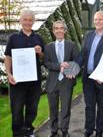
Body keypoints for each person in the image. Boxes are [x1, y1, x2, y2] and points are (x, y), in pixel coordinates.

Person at [77, 11, 103, 137]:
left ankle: (99, 131)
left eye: (100, 19)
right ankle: (89, 130)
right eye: (95, 19)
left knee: (102, 106)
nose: (97, 22)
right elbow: (83, 54)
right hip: (88, 77)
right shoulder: (89, 35)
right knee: (89, 106)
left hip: (102, 79)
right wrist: (74, 68)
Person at [4, 9, 44, 137]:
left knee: (32, 108)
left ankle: (29, 130)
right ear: (20, 21)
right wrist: (8, 74)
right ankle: (17, 133)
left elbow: (44, 57)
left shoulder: (38, 37)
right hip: (18, 80)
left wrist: (40, 52)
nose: (28, 22)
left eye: (30, 20)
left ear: (34, 21)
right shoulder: (13, 38)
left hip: (34, 80)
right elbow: (8, 57)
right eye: (25, 19)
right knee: (17, 109)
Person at [44, 20, 79, 137]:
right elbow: (46, 63)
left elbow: (76, 61)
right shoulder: (48, 47)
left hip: (66, 82)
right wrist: (59, 65)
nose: (59, 30)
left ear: (65, 30)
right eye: (56, 28)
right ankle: (53, 131)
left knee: (65, 109)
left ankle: (64, 131)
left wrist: (71, 70)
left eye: (61, 28)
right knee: (52, 109)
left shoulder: (71, 45)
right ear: (53, 31)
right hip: (52, 82)